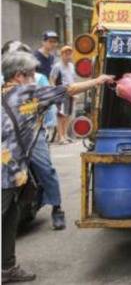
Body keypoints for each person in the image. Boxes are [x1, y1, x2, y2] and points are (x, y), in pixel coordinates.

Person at [2, 50, 113, 283]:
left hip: (14, 171)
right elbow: (68, 90)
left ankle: (6, 267)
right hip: (6, 171)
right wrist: (99, 80)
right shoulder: (26, 93)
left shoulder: (5, 93)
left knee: (10, 219)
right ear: (20, 76)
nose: (34, 77)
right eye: (32, 73)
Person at [2, 42, 66, 231]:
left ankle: (57, 207)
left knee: (45, 168)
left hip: (32, 132)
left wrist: (48, 124)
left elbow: (50, 101)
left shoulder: (38, 79)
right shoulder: (4, 78)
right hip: (6, 134)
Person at [50, 46, 76, 144]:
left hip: (71, 92)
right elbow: (52, 79)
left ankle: (65, 135)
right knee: (61, 115)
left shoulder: (72, 66)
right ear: (62, 54)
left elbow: (73, 79)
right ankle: (61, 137)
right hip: (61, 92)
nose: (68, 55)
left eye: (70, 53)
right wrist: (55, 92)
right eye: (66, 53)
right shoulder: (57, 66)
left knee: (68, 115)